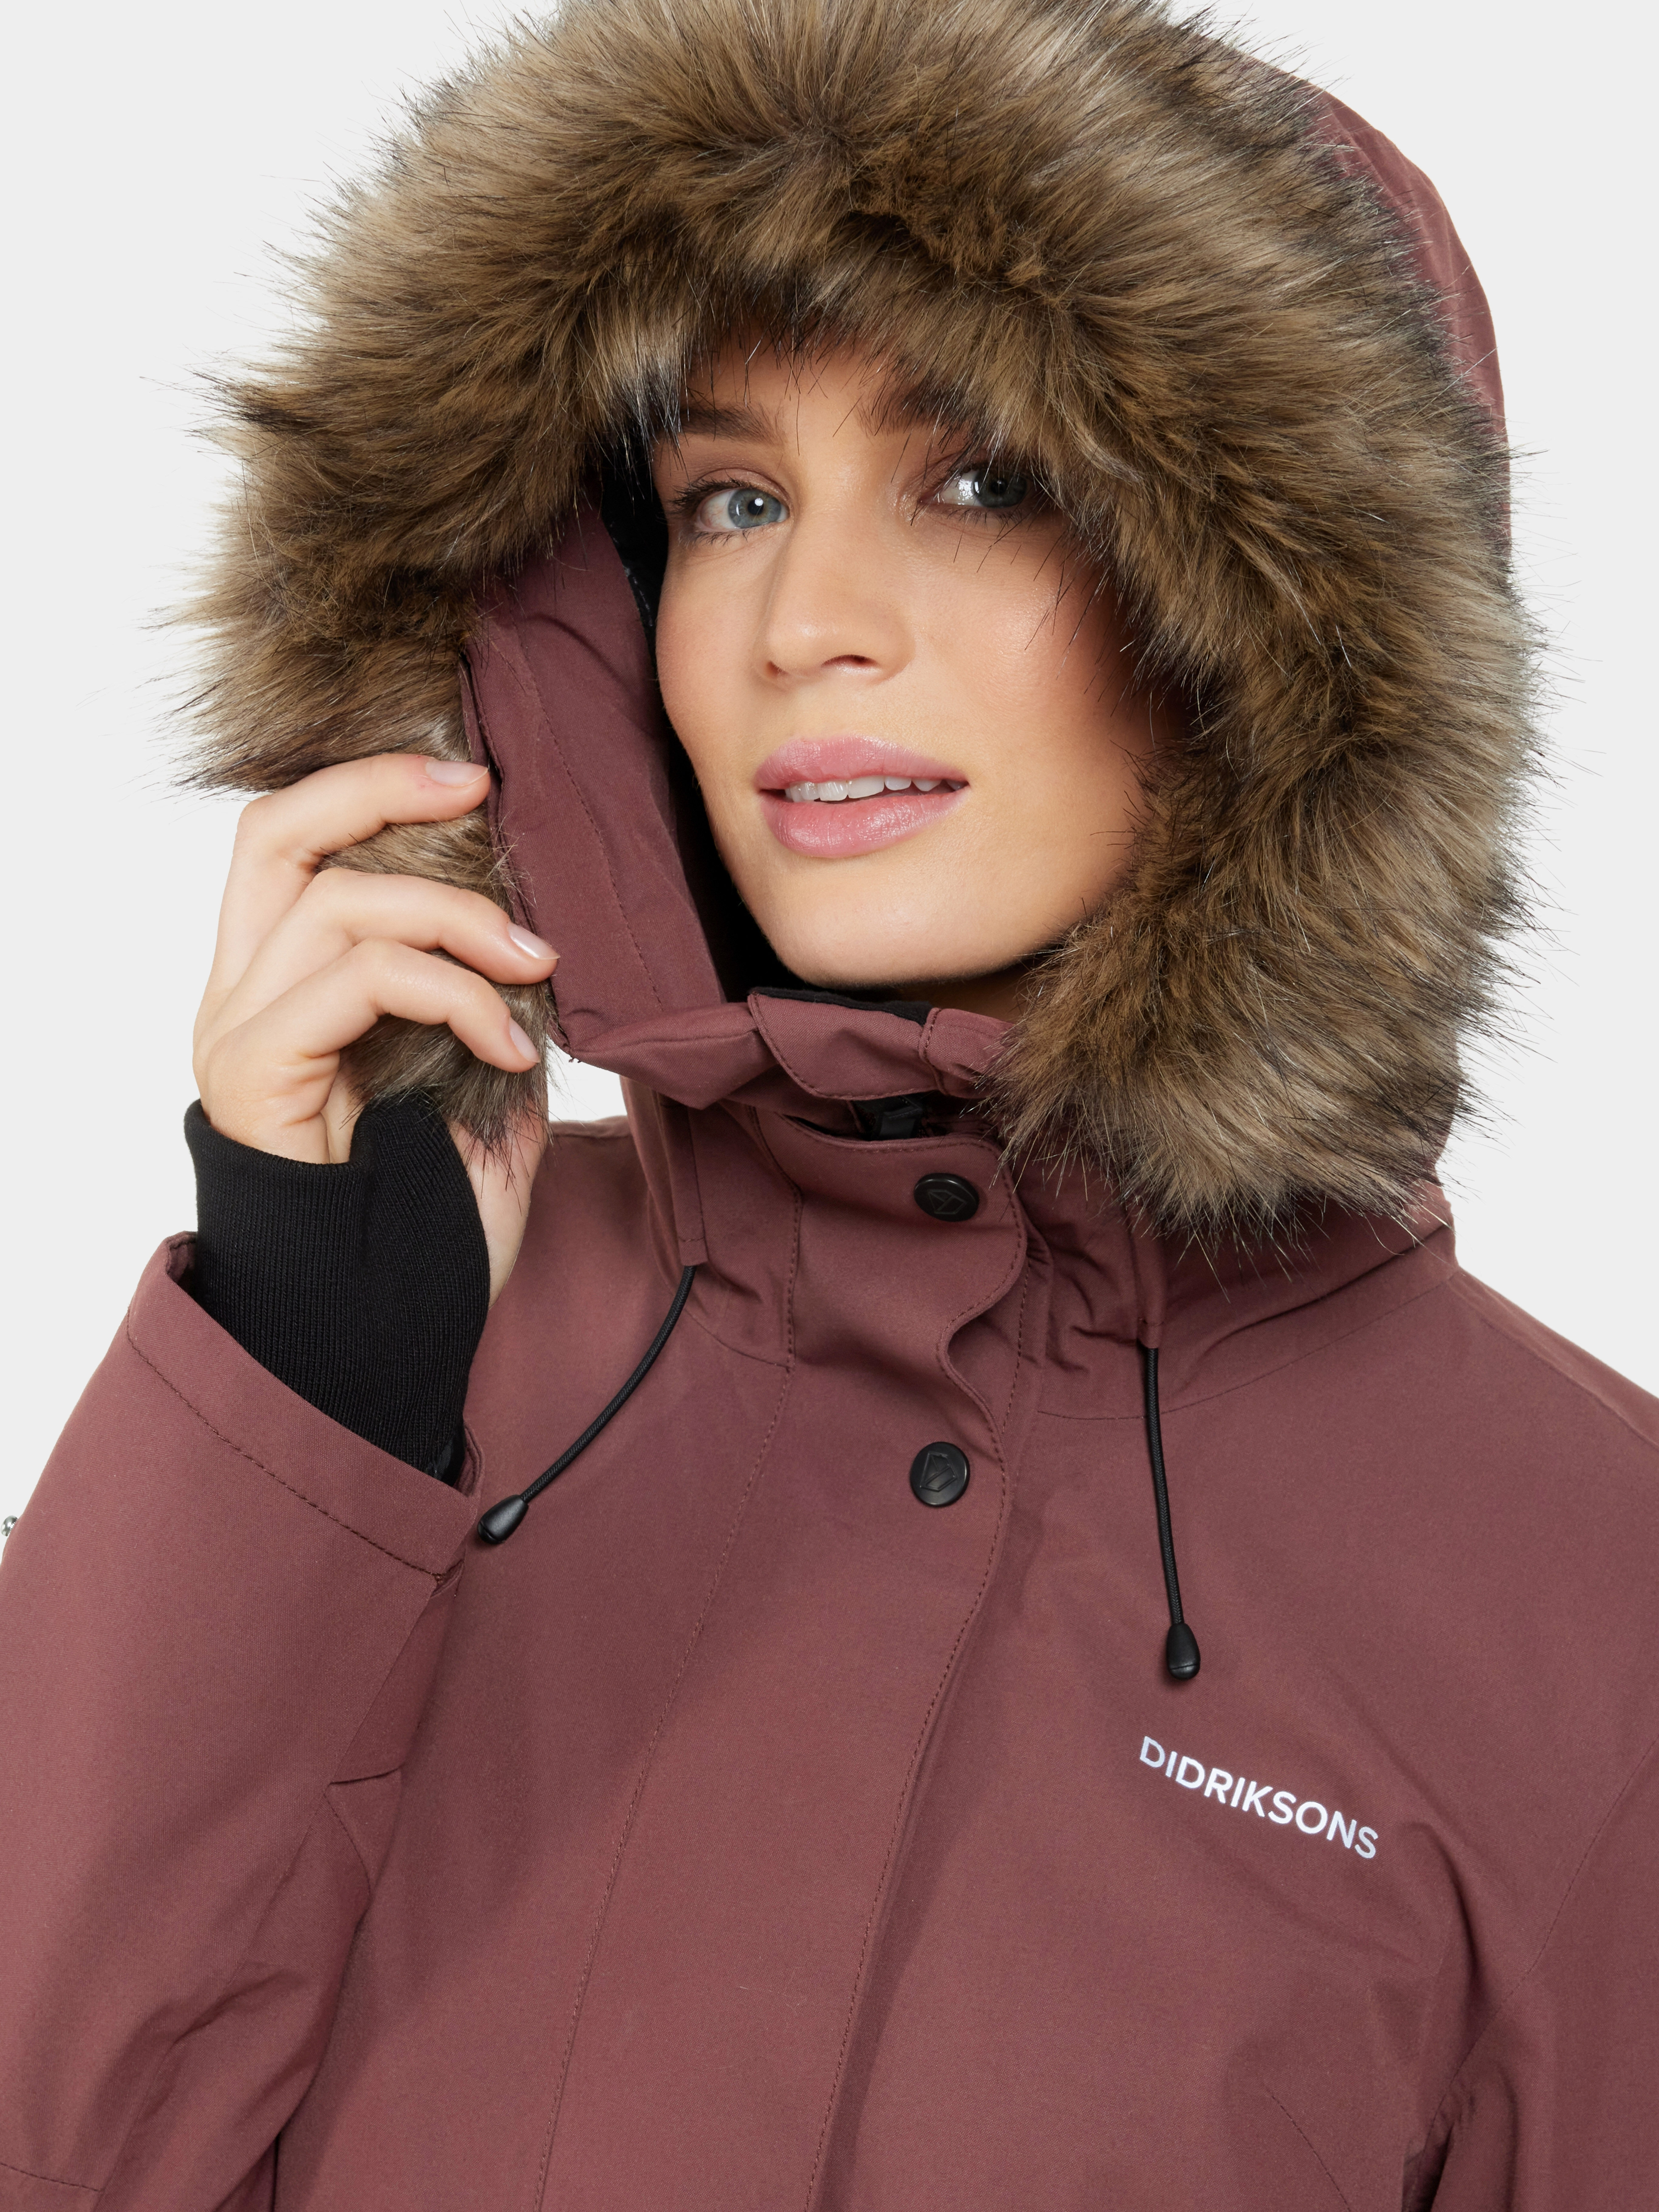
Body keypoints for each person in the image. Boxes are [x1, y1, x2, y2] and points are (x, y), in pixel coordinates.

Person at [2, 0, 1655, 2203]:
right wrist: (302, 1374)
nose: (803, 623)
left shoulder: (1589, 1585)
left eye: (981, 480)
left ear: (1287, 620)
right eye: (731, 499)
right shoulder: (394, 1361)